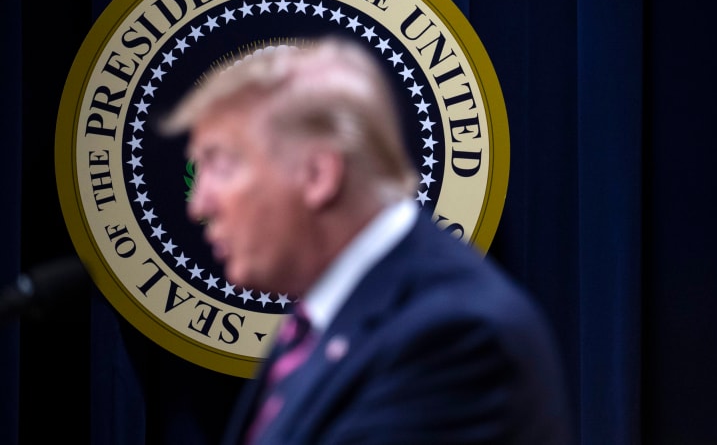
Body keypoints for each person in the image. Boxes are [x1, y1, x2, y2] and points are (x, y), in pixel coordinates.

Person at [160, 36, 571, 445]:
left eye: (223, 166)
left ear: (318, 175)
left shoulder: (453, 336)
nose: (199, 205)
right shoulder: (319, 323)